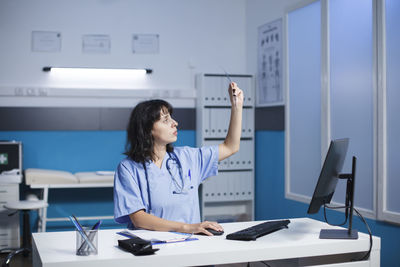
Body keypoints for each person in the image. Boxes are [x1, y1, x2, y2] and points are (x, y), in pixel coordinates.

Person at [114, 82, 243, 236]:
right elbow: (139, 219)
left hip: (191, 243)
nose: (175, 123)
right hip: (152, 247)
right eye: (166, 120)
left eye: (172, 118)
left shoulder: (188, 157)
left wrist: (237, 106)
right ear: (148, 129)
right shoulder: (128, 168)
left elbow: (231, 147)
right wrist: (187, 228)